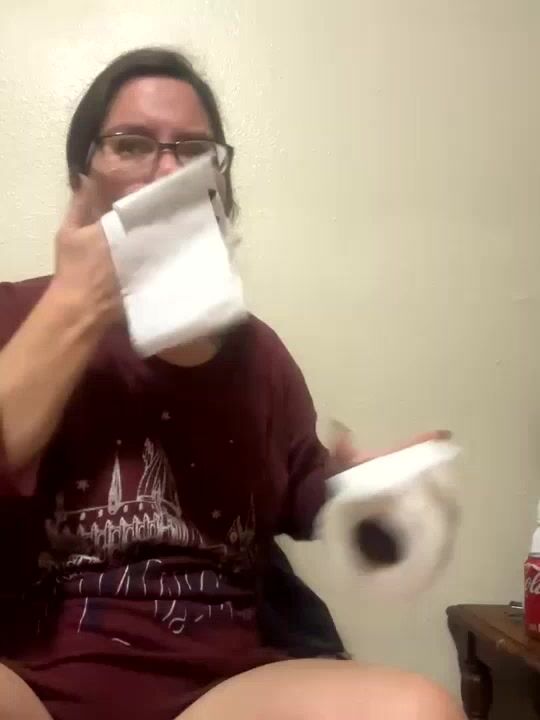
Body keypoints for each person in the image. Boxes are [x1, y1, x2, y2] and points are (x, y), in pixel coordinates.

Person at [0, 47, 463, 720]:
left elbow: (309, 494)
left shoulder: (257, 354)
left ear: (219, 188)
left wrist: (372, 491)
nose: (167, 169)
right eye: (132, 144)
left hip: (218, 690)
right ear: (83, 177)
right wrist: (75, 305)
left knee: (416, 709)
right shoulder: (16, 315)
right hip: (28, 680)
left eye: (193, 151)